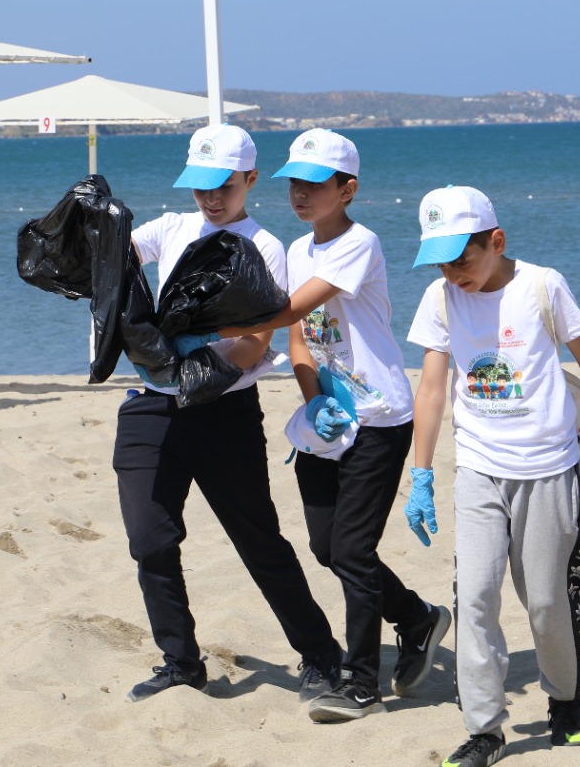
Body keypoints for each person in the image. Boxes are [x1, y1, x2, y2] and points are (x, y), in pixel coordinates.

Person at [402, 185, 580, 767]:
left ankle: (565, 698)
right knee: (477, 598)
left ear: (496, 240)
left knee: (545, 601)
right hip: (479, 469)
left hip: (547, 469)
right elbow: (433, 387)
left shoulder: (542, 285)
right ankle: (484, 728)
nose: (451, 271)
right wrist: (420, 475)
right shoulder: (440, 299)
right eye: (440, 260)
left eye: (461, 257)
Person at [217, 128, 450, 723]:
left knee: (352, 548)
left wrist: (207, 318)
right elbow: (298, 336)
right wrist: (311, 395)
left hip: (378, 418)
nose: (300, 194)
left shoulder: (360, 242)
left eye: (314, 184)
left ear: (347, 189)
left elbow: (291, 309)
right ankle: (417, 617)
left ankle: (359, 682)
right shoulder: (299, 250)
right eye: (294, 182)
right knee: (327, 547)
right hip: (329, 415)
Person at [115, 123, 343, 703]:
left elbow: (256, 344)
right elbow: (108, 260)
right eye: (201, 187)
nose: (212, 199)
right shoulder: (170, 228)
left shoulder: (263, 248)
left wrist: (199, 369)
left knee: (258, 540)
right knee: (150, 541)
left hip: (224, 412)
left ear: (250, 180)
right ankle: (181, 662)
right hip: (150, 409)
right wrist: (89, 230)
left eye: (225, 186)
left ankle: (319, 657)